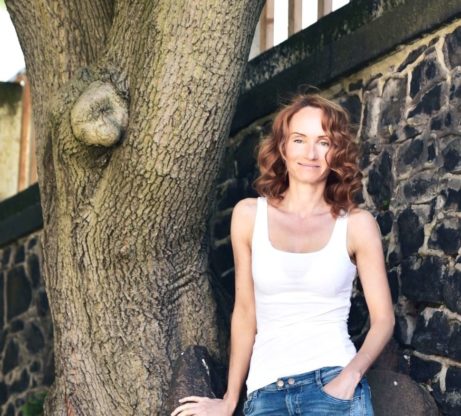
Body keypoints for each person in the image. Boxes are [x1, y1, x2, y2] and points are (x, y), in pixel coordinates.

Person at [171, 93, 395, 415]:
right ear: (283, 147)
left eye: (323, 142)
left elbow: (384, 319)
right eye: (299, 139)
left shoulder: (357, 225)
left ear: (336, 152)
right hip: (266, 393)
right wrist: (230, 398)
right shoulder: (249, 216)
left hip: (334, 385)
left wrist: (350, 378)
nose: (311, 153)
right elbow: (245, 312)